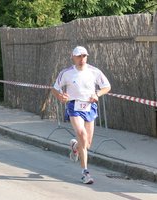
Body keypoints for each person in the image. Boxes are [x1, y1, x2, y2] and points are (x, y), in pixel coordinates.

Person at [51, 46, 111, 184]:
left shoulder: (94, 71)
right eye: (78, 56)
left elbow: (107, 86)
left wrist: (97, 94)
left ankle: (75, 146)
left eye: (84, 56)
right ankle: (85, 173)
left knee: (87, 144)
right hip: (74, 106)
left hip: (90, 107)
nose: (81, 59)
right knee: (81, 133)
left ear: (87, 57)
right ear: (73, 57)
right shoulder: (66, 73)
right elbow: (54, 89)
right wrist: (61, 96)